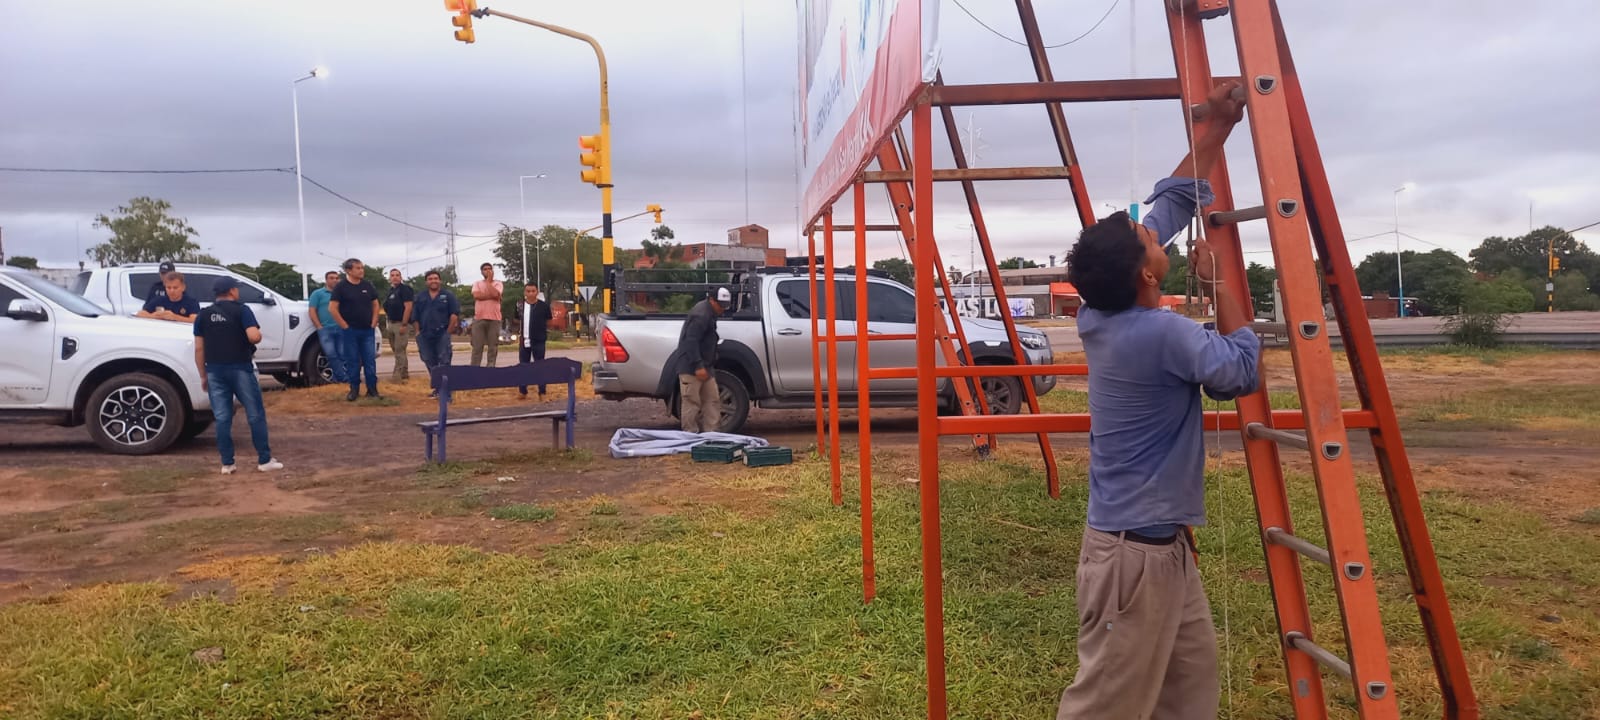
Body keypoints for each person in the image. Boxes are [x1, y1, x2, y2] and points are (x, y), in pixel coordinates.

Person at [1054, 80, 1258, 720]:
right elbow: (1240, 370)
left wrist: (1218, 129)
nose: (1155, 236)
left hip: (1158, 548)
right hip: (1133, 559)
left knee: (1187, 696)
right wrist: (1220, 282)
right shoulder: (1162, 335)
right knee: (1104, 709)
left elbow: (1168, 205)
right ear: (1148, 273)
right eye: (1149, 243)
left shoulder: (1099, 313)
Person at [194, 276, 282, 474]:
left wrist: (203, 375)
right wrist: (257, 335)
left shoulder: (203, 315)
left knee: (222, 417)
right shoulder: (242, 310)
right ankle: (264, 459)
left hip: (215, 370)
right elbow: (253, 336)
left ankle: (227, 463)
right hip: (240, 368)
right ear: (232, 291)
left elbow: (199, 348)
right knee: (255, 414)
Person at [675, 287, 729, 433]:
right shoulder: (701, 315)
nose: (723, 309)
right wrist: (698, 366)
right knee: (691, 402)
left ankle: (712, 434)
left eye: (725, 305)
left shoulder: (710, 312)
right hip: (691, 367)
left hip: (705, 366)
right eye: (721, 305)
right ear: (712, 300)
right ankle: (689, 437)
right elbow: (690, 342)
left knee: (712, 400)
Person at [329, 257, 381, 401]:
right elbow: (333, 308)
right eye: (358, 268)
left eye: (362, 268)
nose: (361, 271)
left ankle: (372, 389)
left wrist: (375, 319)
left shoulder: (367, 285)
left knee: (370, 360)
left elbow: (375, 304)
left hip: (367, 330)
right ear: (348, 270)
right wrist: (344, 325)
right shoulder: (341, 287)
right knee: (352, 361)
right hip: (350, 331)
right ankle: (354, 390)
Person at [412, 269, 461, 398]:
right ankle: (438, 388)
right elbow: (415, 316)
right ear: (426, 282)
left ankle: (447, 392)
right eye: (430, 279)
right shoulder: (420, 297)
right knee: (429, 361)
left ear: (440, 280)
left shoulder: (448, 295)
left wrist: (448, 332)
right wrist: (417, 333)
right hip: (425, 335)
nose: (433, 281)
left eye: (435, 278)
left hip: (442, 334)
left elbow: (454, 314)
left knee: (444, 361)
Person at [306, 270, 347, 383]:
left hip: (340, 328)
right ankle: (342, 378)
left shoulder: (341, 294)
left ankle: (338, 378)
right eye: (332, 278)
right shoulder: (318, 294)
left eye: (336, 278)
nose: (335, 280)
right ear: (326, 280)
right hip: (325, 329)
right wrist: (319, 326)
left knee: (342, 354)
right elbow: (312, 310)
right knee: (331, 354)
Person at [514, 284, 552, 400]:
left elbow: (549, 320)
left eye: (533, 291)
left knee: (540, 366)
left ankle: (542, 392)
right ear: (524, 292)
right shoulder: (520, 305)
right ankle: (522, 391)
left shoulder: (543, 306)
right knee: (523, 366)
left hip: (539, 340)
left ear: (537, 292)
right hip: (524, 341)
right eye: (528, 291)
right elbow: (515, 319)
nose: (530, 293)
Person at [383, 268, 416, 383]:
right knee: (397, 351)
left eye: (397, 275)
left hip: (401, 324)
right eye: (392, 275)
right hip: (391, 323)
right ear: (390, 278)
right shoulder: (391, 291)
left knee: (399, 350)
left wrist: (404, 324)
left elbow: (408, 307)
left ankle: (396, 377)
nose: (395, 277)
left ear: (401, 277)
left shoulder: (405, 289)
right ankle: (404, 374)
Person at [470, 262, 504, 367]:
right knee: (477, 347)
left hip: (494, 319)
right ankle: (474, 370)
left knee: (493, 347)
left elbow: (495, 294)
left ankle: (490, 369)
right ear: (481, 271)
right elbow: (477, 295)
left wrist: (489, 282)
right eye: (485, 269)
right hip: (479, 318)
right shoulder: (477, 283)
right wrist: (492, 295)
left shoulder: (498, 283)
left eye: (490, 269)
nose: (488, 270)